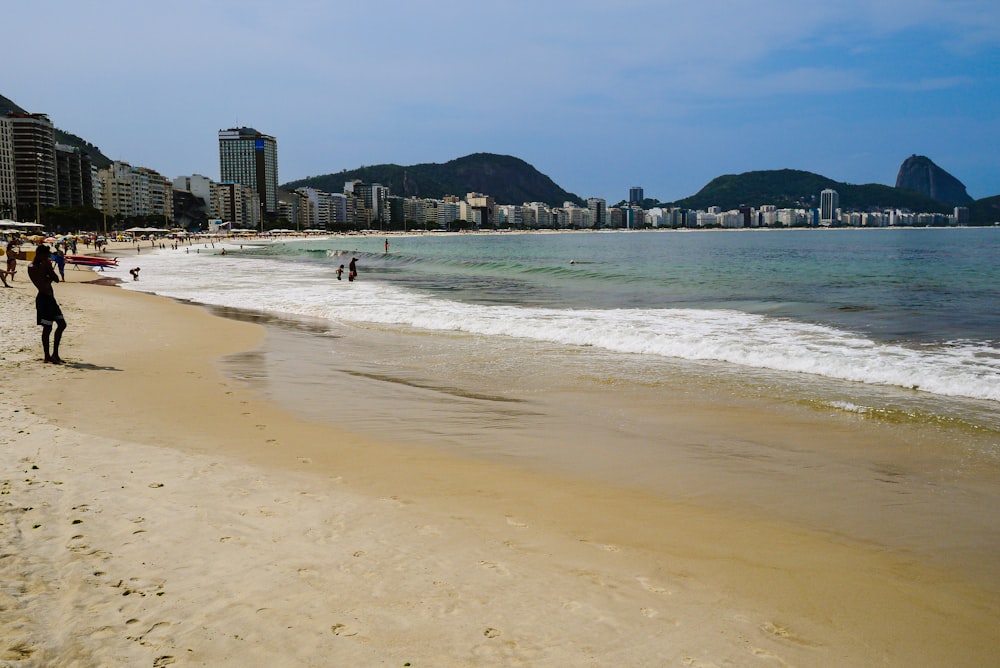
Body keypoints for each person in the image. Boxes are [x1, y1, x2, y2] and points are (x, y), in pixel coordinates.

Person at [27, 245, 67, 364]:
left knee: (62, 324)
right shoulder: (32, 267)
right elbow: (42, 287)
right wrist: (48, 274)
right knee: (47, 327)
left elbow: (56, 279)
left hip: (51, 299)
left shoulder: (46, 265)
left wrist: (49, 271)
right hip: (43, 300)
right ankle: (46, 356)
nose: (47, 257)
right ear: (39, 254)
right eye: (45, 255)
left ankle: (55, 353)